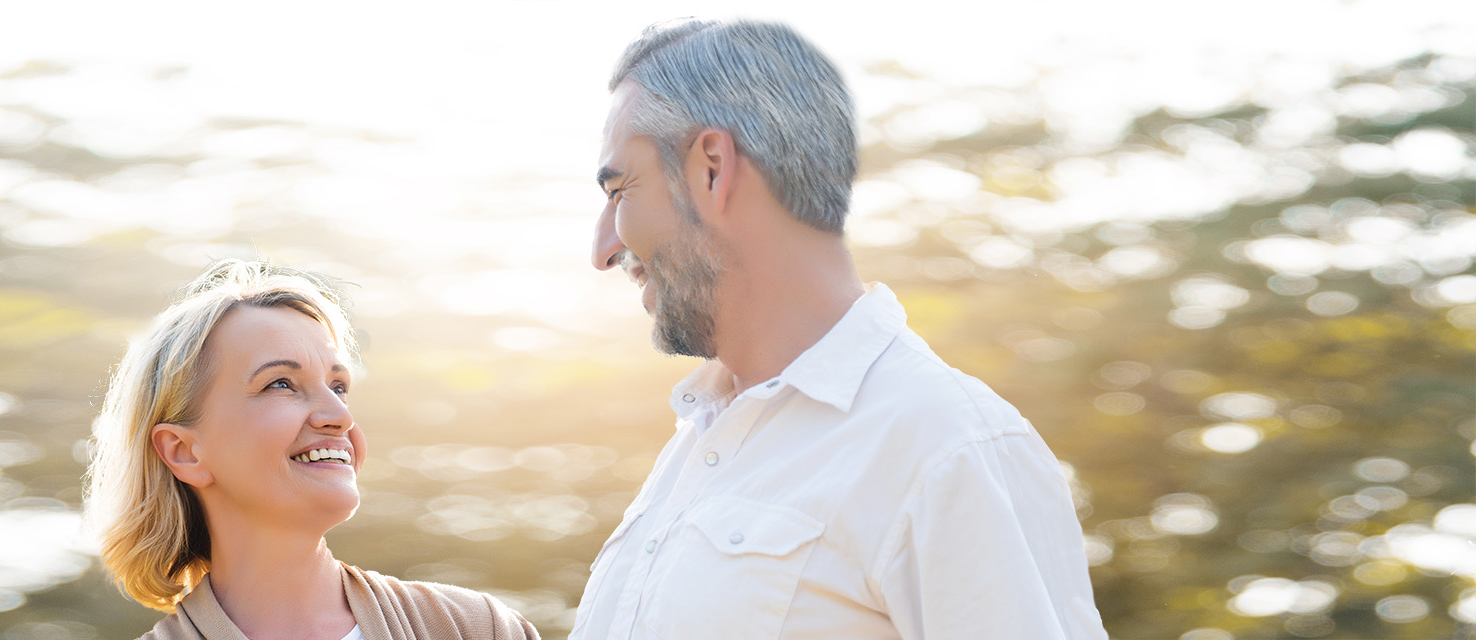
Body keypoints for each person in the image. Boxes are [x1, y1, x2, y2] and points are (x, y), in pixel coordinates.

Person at [573, 19, 1109, 640]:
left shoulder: (948, 447)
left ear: (713, 168)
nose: (603, 250)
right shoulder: (699, 443)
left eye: (621, 191)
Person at [85, 260, 540, 640]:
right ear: (184, 451)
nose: (339, 416)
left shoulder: (473, 628)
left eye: (338, 386)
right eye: (280, 383)